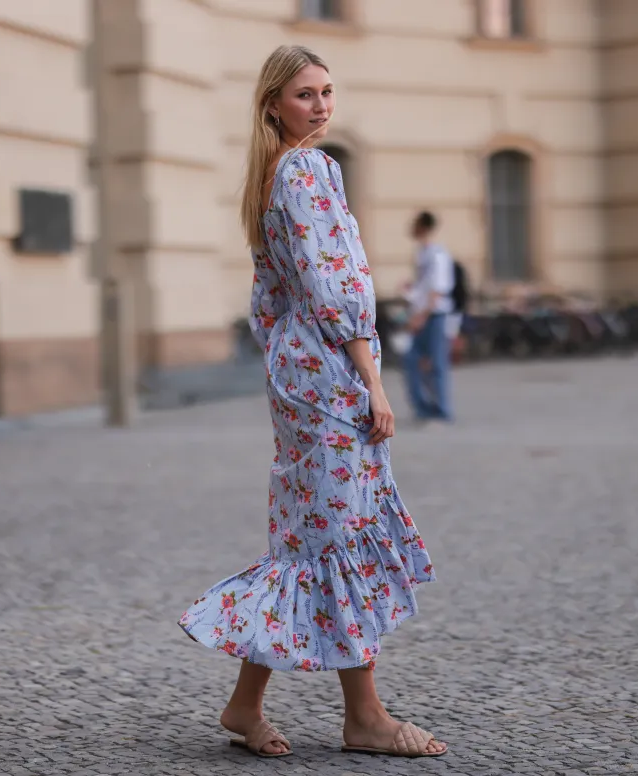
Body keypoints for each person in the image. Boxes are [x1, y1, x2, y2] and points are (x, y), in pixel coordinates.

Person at [177, 45, 446, 759]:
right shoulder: (309, 169)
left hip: (296, 372)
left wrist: (291, 364)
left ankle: (245, 704)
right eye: (305, 94)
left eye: (327, 91)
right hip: (329, 374)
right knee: (338, 535)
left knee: (311, 536)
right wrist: (372, 380)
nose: (321, 105)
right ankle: (366, 718)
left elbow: (269, 301)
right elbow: (338, 285)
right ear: (273, 104)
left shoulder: (269, 176)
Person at [403, 211, 455, 423]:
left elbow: (437, 290)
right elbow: (423, 287)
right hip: (421, 313)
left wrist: (421, 317)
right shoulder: (421, 253)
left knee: (436, 362)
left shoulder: (437, 254)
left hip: (434, 315)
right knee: (413, 360)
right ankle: (423, 407)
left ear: (423, 227)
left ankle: (441, 409)